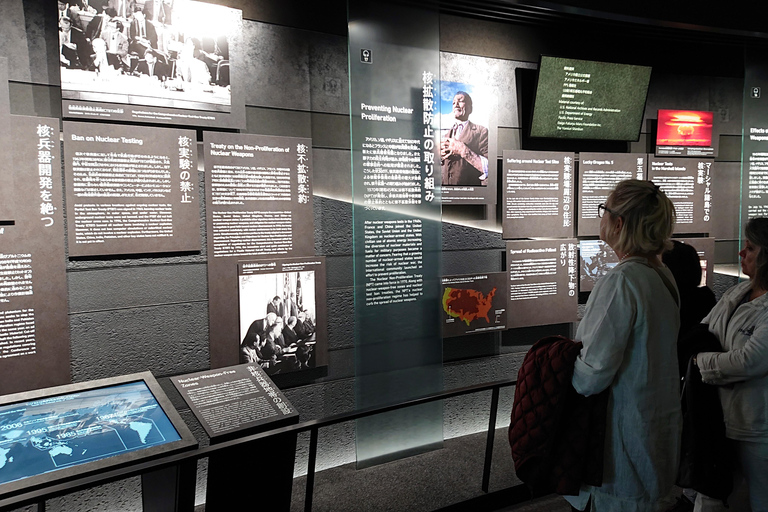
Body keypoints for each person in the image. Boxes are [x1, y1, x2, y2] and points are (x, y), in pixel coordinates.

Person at [565, 179, 682, 512]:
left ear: (618, 223)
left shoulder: (621, 281)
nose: (600, 217)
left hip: (620, 449)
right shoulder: (662, 275)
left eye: (604, 209)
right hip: (650, 431)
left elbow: (591, 376)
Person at [692, 217, 768, 512]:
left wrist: (701, 361)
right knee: (713, 498)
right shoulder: (737, 292)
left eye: (750, 248)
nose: (741, 254)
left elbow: (750, 361)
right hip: (721, 418)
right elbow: (702, 332)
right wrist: (707, 356)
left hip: (757, 426)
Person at [440, 91, 489, 187]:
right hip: (446, 194)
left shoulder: (481, 131)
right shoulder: (446, 135)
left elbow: (489, 166)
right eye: (453, 103)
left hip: (468, 195)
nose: (456, 105)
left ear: (470, 108)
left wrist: (463, 150)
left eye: (460, 101)